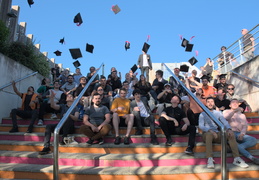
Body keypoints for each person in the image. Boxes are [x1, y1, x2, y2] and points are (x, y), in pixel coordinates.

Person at [198, 97, 249, 169]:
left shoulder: (218, 113)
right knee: (209, 135)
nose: (210, 103)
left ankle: (237, 159)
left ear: (214, 103)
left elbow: (224, 122)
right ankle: (210, 159)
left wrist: (229, 129)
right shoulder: (202, 114)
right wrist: (210, 130)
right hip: (206, 134)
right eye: (208, 102)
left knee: (230, 134)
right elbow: (201, 126)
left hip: (216, 134)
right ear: (206, 104)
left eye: (211, 102)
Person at [223, 99, 259, 165]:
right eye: (233, 102)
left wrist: (242, 134)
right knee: (233, 141)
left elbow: (245, 126)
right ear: (230, 105)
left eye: (236, 102)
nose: (235, 103)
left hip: (239, 133)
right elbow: (226, 118)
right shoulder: (226, 111)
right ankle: (251, 157)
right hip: (229, 133)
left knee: (253, 140)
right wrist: (233, 112)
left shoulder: (242, 115)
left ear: (238, 105)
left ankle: (233, 147)